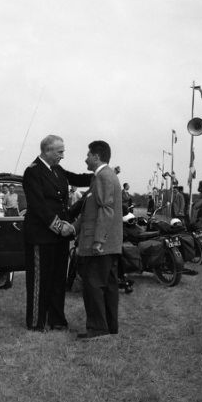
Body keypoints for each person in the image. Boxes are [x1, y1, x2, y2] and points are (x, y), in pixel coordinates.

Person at [22, 134, 92, 332]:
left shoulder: (58, 170)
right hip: (41, 235)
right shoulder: (32, 172)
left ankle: (57, 319)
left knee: (57, 279)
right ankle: (36, 322)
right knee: (39, 280)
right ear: (47, 151)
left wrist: (100, 172)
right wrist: (60, 226)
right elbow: (39, 206)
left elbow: (77, 178)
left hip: (60, 237)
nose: (63, 155)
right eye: (60, 152)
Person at [71, 140, 122, 340]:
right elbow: (89, 211)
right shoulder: (102, 176)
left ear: (96, 156)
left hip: (100, 246)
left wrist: (98, 240)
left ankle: (98, 329)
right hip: (107, 245)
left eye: (88, 155)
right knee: (107, 286)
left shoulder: (104, 176)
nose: (86, 159)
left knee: (93, 286)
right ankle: (109, 327)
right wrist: (73, 228)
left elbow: (106, 209)